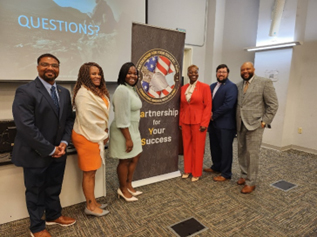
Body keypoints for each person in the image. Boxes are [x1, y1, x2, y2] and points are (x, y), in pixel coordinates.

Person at [12, 53, 75, 237]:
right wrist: (49, 149)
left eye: (54, 65)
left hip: (59, 151)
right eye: (45, 64)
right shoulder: (25, 91)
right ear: (38, 67)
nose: (50, 68)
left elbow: (68, 120)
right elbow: (26, 127)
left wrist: (63, 143)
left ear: (59, 68)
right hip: (35, 153)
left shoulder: (64, 92)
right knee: (35, 191)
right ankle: (37, 227)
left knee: (54, 187)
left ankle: (54, 215)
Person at [72, 62, 110, 216]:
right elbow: (87, 120)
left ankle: (93, 201)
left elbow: (101, 116)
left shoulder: (95, 91)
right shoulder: (83, 94)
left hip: (95, 134)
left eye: (99, 73)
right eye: (93, 74)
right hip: (86, 136)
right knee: (89, 173)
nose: (97, 76)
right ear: (85, 75)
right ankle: (90, 207)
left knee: (92, 172)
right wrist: (103, 135)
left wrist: (103, 132)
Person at [236, 62, 278, 194]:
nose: (245, 71)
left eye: (248, 69)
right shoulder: (238, 85)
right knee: (241, 152)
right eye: (243, 70)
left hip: (255, 125)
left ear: (253, 69)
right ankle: (244, 175)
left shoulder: (264, 82)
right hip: (240, 124)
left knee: (252, 154)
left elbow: (273, 104)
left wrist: (264, 121)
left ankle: (251, 182)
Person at [108, 62, 143, 201]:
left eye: (135, 73)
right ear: (123, 74)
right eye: (129, 73)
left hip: (133, 129)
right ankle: (122, 189)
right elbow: (121, 118)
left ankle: (128, 184)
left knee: (135, 157)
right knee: (125, 160)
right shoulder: (122, 90)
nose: (132, 76)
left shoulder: (131, 89)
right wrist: (128, 138)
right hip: (124, 130)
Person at [204, 64, 238, 181]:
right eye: (219, 72)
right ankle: (216, 166)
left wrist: (213, 115)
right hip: (213, 124)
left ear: (227, 73)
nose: (221, 74)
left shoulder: (231, 87)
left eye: (223, 72)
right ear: (216, 73)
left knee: (225, 149)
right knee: (214, 147)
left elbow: (228, 105)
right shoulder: (212, 86)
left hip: (225, 125)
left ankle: (226, 173)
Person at [179, 65, 212, 182]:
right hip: (185, 121)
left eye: (195, 72)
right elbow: (182, 106)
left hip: (199, 122)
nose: (193, 74)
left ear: (198, 73)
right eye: (190, 72)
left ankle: (196, 172)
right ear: (187, 74)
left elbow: (208, 106)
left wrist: (205, 123)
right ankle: (187, 170)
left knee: (197, 148)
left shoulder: (204, 87)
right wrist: (180, 122)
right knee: (186, 147)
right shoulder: (183, 88)